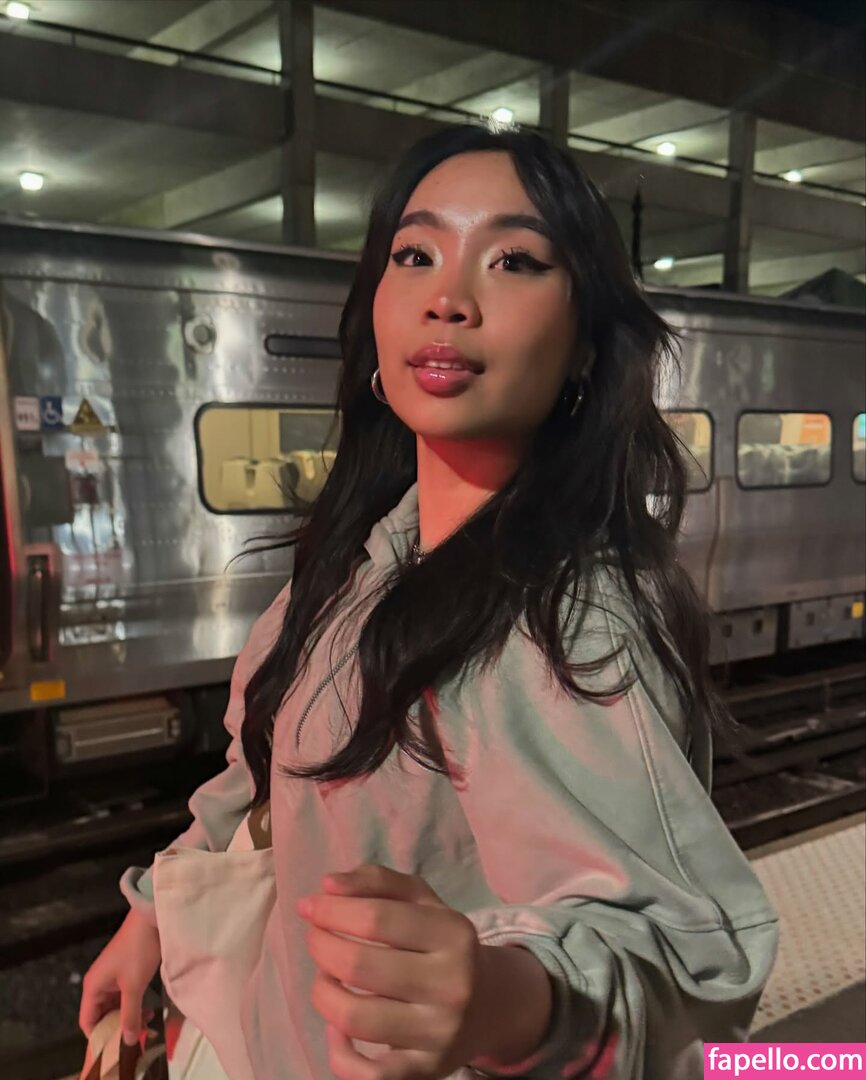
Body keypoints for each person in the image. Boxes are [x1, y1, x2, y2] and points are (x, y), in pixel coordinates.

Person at [79, 123, 778, 1080]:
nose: (448, 298)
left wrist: (508, 1001)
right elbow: (258, 774)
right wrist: (153, 914)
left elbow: (679, 953)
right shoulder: (363, 557)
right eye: (415, 255)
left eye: (514, 260)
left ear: (585, 346)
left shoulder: (565, 621)